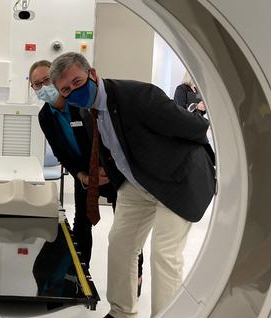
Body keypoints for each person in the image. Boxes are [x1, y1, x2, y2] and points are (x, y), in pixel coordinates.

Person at [49, 52, 215, 318]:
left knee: (164, 254)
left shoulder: (137, 96)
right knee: (120, 243)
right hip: (137, 183)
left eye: (77, 82)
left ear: (92, 74)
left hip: (177, 180)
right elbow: (110, 147)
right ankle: (121, 312)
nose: (73, 92)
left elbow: (194, 127)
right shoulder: (86, 111)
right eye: (66, 89)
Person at [29, 60, 144, 295]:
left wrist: (107, 170)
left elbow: (105, 138)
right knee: (81, 225)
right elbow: (61, 152)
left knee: (127, 227)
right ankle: (79, 275)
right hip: (84, 175)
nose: (43, 87)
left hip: (113, 172)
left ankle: (136, 275)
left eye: (47, 80)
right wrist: (81, 175)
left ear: (57, 79)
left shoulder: (80, 104)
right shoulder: (45, 116)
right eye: (37, 84)